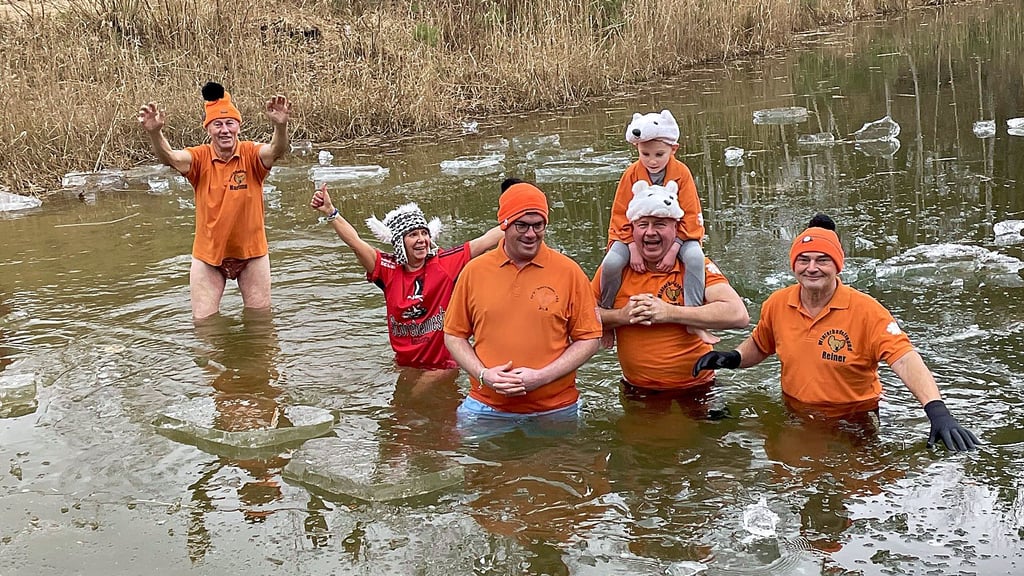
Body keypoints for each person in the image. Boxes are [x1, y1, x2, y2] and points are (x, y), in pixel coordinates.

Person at [693, 214, 979, 452]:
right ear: (794, 265)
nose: (812, 268)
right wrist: (731, 358)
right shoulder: (778, 303)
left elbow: (905, 359)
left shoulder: (866, 311)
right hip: (796, 415)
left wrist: (937, 411)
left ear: (837, 265)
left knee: (858, 484)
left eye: (822, 260)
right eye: (803, 260)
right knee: (791, 476)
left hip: (854, 419)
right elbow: (761, 343)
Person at [443, 179, 603, 434]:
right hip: (485, 406)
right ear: (504, 225)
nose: (531, 234)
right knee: (477, 471)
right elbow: (454, 335)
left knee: (562, 469)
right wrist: (484, 375)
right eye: (522, 225)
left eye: (538, 225)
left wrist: (542, 377)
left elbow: (590, 338)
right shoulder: (474, 272)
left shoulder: (569, 272)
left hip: (556, 407)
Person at [138, 82, 291, 320]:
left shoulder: (252, 154)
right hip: (209, 258)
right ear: (208, 129)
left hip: (251, 255)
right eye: (217, 124)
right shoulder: (199, 158)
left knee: (260, 325)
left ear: (238, 126)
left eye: (230, 123)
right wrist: (155, 133)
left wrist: (280, 127)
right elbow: (170, 157)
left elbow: (276, 150)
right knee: (204, 326)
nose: (224, 130)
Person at [592, 181, 749, 412]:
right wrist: (622, 316)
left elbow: (738, 315)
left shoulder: (695, 266)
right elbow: (581, 316)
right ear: (632, 229)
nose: (650, 232)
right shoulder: (615, 270)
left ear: (675, 228)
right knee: (639, 447)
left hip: (698, 389)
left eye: (660, 224)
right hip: (637, 391)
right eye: (643, 224)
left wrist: (669, 312)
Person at [310, 184, 502, 370]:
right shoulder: (387, 270)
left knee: (413, 399)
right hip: (405, 365)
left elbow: (485, 241)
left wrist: (520, 216)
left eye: (424, 233)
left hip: (442, 367)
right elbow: (355, 242)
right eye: (413, 234)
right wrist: (330, 212)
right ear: (400, 242)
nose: (421, 240)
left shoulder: (444, 263)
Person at [600, 109, 716, 344]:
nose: (652, 161)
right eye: (645, 154)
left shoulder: (681, 173)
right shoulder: (631, 174)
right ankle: (607, 317)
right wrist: (631, 246)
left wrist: (675, 247)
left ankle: (694, 318)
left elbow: (691, 214)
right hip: (632, 236)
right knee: (611, 262)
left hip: (680, 237)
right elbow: (620, 214)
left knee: (694, 258)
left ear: (674, 149)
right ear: (637, 150)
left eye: (659, 154)